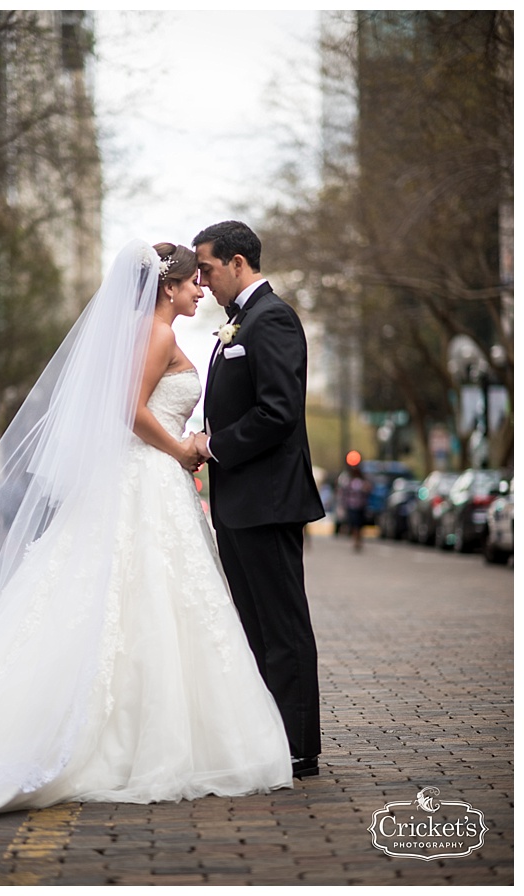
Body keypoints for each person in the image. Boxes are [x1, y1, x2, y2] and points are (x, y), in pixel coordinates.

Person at [0, 241, 292, 833]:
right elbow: (130, 409)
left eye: (205, 279)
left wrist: (189, 440)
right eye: (192, 282)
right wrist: (179, 447)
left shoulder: (152, 333)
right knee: (145, 590)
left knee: (144, 596)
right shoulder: (154, 333)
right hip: (147, 473)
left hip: (149, 476)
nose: (201, 288)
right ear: (166, 289)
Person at [191, 220, 326, 780]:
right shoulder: (236, 324)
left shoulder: (272, 319)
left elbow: (278, 412)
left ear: (238, 262)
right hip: (240, 503)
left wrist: (213, 445)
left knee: (283, 625)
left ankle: (298, 747)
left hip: (269, 501)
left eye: (208, 268)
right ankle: (270, 737)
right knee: (254, 626)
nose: (202, 279)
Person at [341, 465, 372, 551]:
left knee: (360, 524)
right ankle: (355, 540)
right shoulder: (348, 482)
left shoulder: (363, 482)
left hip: (361, 506)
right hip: (352, 506)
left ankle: (359, 539)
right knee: (354, 524)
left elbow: (368, 490)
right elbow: (344, 493)